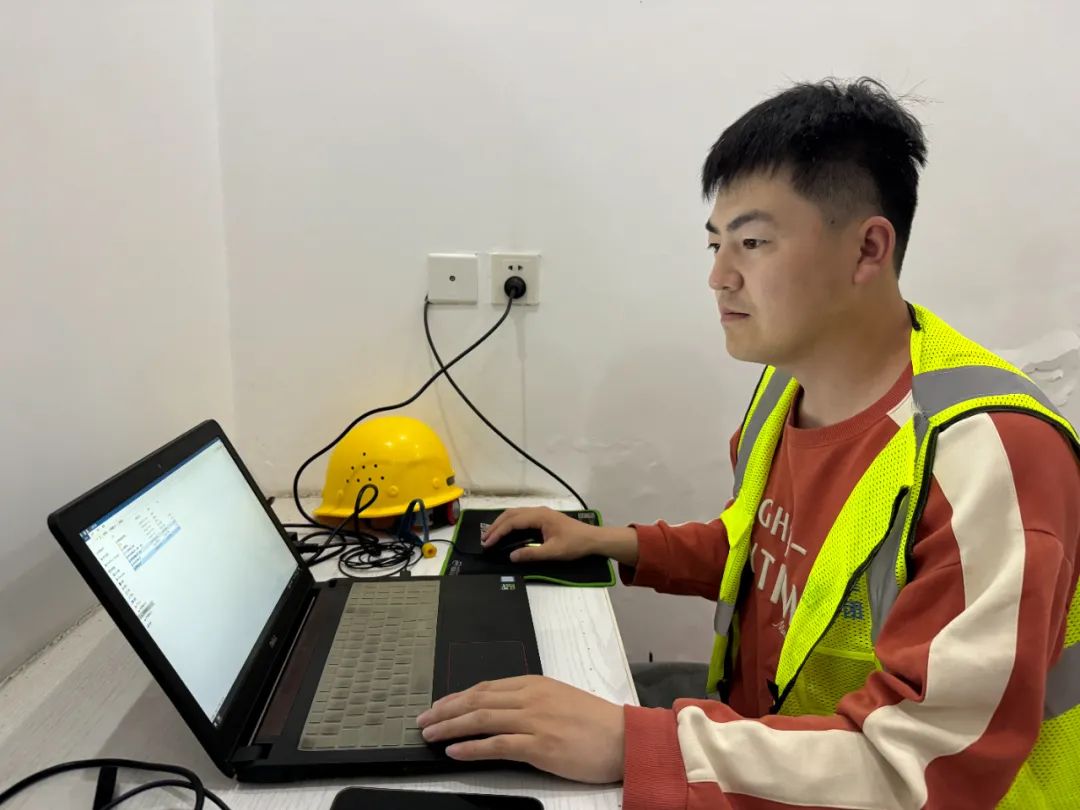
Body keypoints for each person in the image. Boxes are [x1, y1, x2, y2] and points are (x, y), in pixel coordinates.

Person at [415, 78, 1080, 809]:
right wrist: (610, 545)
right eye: (715, 243)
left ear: (868, 248)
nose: (718, 277)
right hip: (770, 757)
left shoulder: (985, 455)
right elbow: (763, 551)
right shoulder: (785, 388)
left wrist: (634, 744)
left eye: (753, 243)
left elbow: (919, 768)